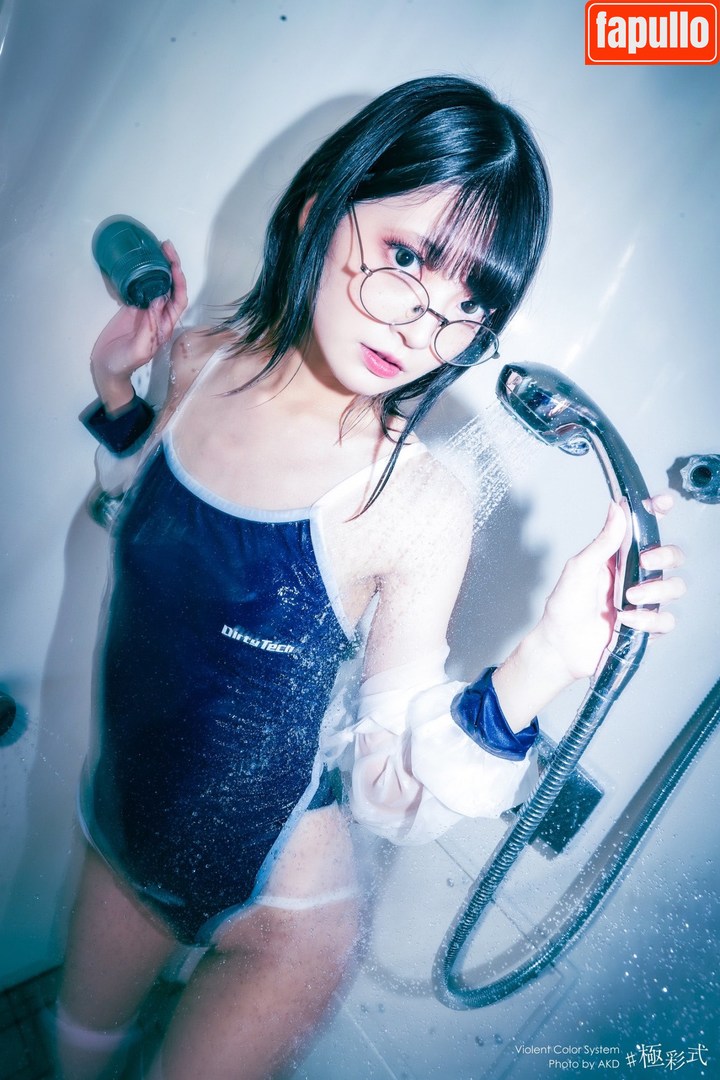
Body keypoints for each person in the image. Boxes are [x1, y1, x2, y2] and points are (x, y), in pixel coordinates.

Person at [53, 76, 685, 1080]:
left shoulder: (415, 502)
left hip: (281, 914)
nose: (423, 329)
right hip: (124, 834)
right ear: (319, 210)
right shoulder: (199, 361)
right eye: (407, 257)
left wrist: (550, 658)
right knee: (72, 1057)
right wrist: (117, 390)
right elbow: (139, 520)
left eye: (469, 303)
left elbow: (391, 797)